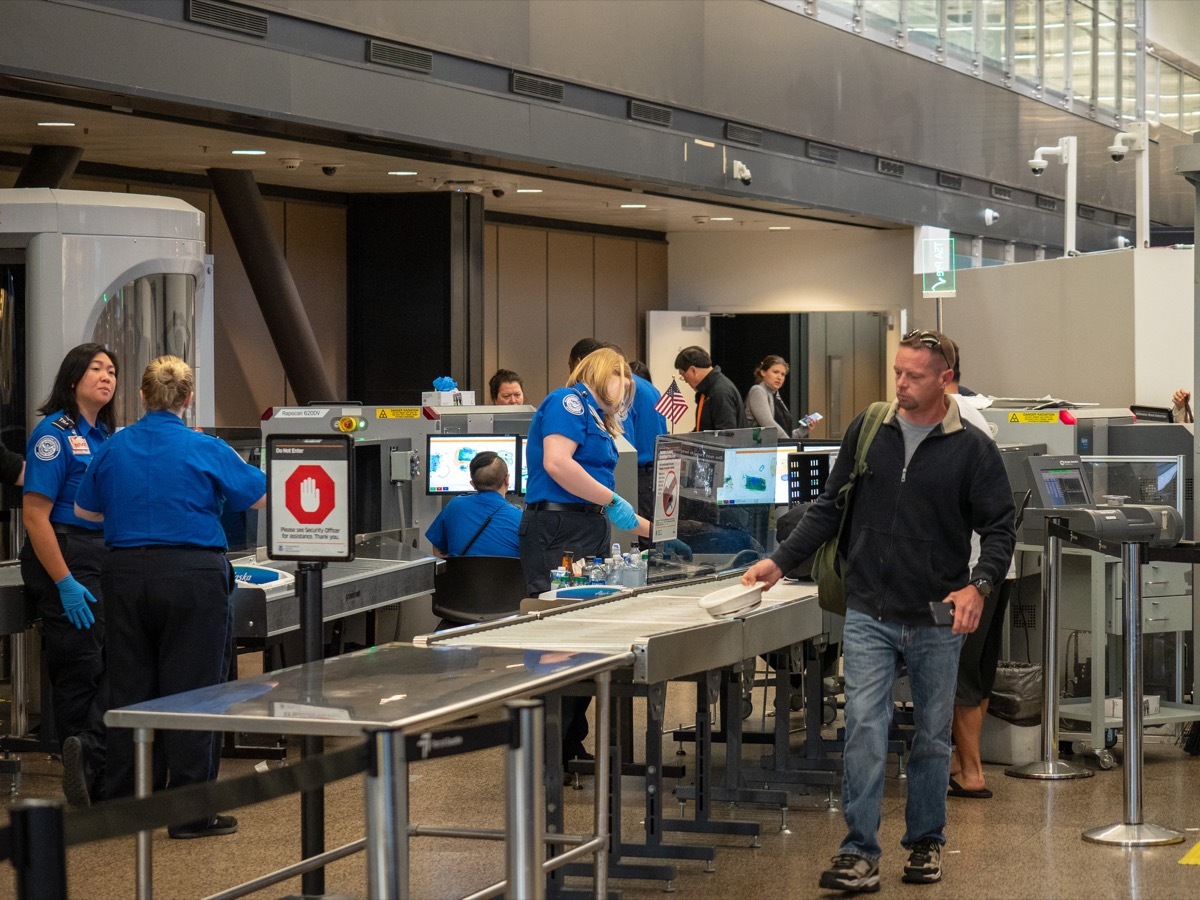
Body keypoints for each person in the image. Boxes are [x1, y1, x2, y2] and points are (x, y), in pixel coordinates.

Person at [742, 329, 1015, 892]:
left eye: (914, 376)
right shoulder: (871, 428)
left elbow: (999, 528)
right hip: (869, 608)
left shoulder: (973, 448)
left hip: (936, 612)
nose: (901, 384)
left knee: (933, 736)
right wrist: (779, 561)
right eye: (897, 372)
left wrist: (978, 586)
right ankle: (858, 851)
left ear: (946, 380)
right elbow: (828, 508)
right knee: (865, 728)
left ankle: (925, 842)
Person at [75, 355, 266, 838]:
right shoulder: (205, 446)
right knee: (195, 690)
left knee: (128, 686)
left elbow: (83, 508)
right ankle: (189, 813)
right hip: (191, 574)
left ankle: (124, 803)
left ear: (140, 396)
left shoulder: (114, 448)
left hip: (122, 573)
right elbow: (259, 495)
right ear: (187, 399)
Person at [521, 347, 652, 764]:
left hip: (587, 525)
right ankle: (548, 752)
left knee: (586, 638)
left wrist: (654, 530)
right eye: (620, 378)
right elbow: (558, 464)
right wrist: (614, 501)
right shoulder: (567, 402)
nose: (626, 388)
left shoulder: (596, 416)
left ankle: (570, 743)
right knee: (561, 640)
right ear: (600, 374)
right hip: (559, 529)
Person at [20, 342, 117, 809]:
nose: (107, 376)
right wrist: (63, 582)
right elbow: (35, 516)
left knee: (109, 660)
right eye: (97, 368)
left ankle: (94, 758)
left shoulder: (106, 437)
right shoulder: (52, 435)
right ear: (74, 378)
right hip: (61, 551)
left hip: (100, 553)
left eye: (113, 371)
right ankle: (81, 767)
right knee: (79, 662)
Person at [945, 343, 1011, 800]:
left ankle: (970, 772)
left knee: (962, 672)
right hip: (991, 566)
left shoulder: (956, 420)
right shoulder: (974, 412)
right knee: (980, 670)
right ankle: (964, 762)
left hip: (969, 569)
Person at [568, 340, 668, 521]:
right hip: (657, 474)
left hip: (636, 477)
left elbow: (621, 442)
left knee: (638, 541)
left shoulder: (618, 388)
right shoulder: (648, 387)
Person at [424, 450, 521, 558]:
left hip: (460, 575)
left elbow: (438, 547)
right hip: (506, 575)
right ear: (507, 479)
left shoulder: (455, 506)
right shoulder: (521, 518)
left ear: (473, 484)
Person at [743, 354, 813, 439]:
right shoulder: (758, 390)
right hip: (759, 450)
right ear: (763, 372)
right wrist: (790, 444)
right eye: (775, 372)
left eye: (783, 374)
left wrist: (803, 430)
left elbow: (785, 434)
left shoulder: (776, 396)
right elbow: (769, 425)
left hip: (778, 449)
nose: (779, 377)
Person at [674, 346, 743, 431]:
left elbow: (726, 436)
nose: (684, 380)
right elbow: (704, 430)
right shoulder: (709, 390)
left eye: (683, 375)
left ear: (693, 370)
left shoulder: (720, 392)